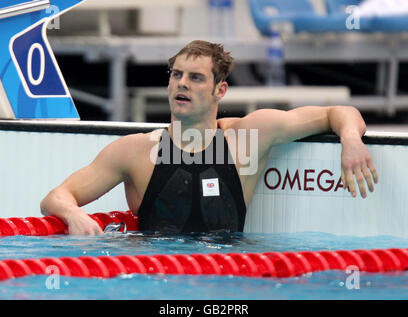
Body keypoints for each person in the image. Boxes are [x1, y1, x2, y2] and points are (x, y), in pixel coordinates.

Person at [40, 40, 378, 235]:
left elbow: (338, 112)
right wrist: (74, 215)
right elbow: (57, 196)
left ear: (221, 90)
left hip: (226, 280)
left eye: (196, 78)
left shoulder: (247, 138)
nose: (182, 84)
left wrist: (350, 140)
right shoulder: (136, 151)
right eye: (176, 75)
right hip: (152, 279)